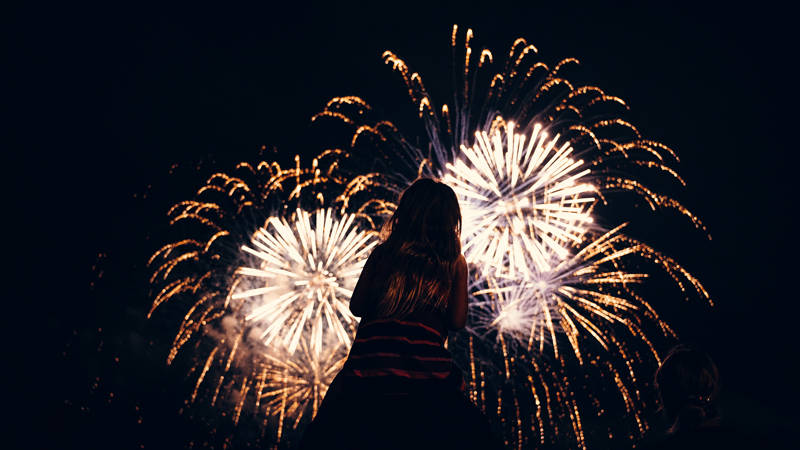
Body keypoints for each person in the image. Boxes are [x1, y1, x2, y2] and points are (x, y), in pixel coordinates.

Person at [299, 178, 501, 450]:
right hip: (427, 378)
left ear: (406, 214)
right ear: (450, 220)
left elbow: (357, 306)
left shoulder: (383, 254)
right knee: (478, 433)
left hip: (368, 372)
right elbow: (456, 321)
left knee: (323, 428)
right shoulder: (455, 262)